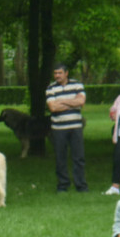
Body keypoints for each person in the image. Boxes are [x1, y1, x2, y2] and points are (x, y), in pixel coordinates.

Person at [45, 63, 89, 193]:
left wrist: (61, 101)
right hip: (58, 128)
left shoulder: (77, 85)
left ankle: (81, 185)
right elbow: (52, 108)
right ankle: (63, 185)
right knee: (60, 157)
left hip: (75, 127)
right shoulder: (50, 88)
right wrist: (72, 103)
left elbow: (81, 102)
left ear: (66, 73)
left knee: (79, 157)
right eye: (55, 73)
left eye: (60, 73)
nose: (57, 76)